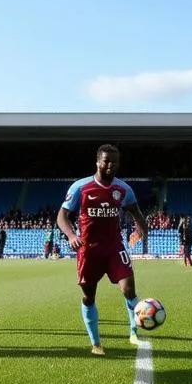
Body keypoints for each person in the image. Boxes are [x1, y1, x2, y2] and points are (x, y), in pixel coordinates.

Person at [56, 143, 151, 355]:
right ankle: (96, 343)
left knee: (129, 290)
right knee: (89, 297)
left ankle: (134, 332)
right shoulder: (80, 187)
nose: (110, 165)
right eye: (106, 161)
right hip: (88, 251)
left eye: (114, 162)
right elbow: (62, 216)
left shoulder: (124, 189)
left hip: (115, 248)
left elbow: (136, 212)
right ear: (98, 161)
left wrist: (141, 230)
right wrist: (71, 235)